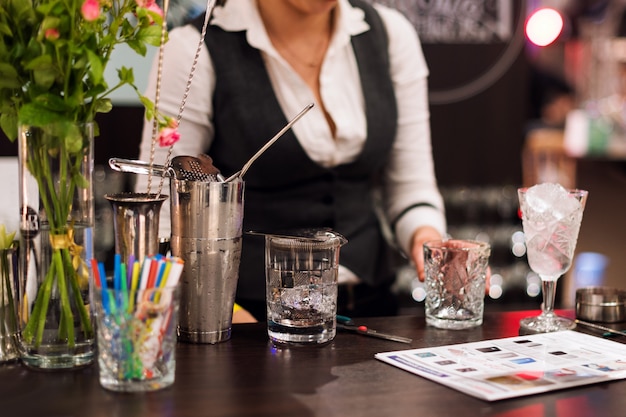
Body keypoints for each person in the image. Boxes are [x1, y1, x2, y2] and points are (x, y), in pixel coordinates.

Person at [136, 0, 446, 321]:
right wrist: (222, 314)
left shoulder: (390, 35)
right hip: (248, 322)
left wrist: (427, 239)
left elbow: (411, 189)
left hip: (370, 311)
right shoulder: (190, 50)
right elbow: (163, 220)